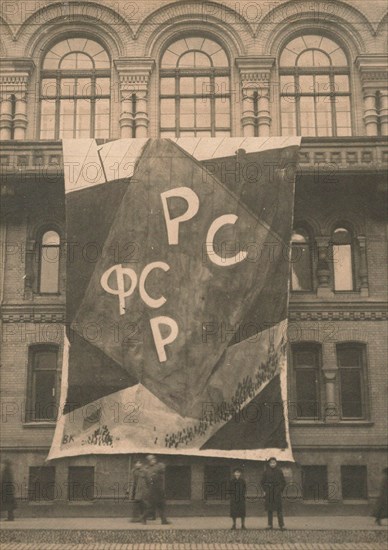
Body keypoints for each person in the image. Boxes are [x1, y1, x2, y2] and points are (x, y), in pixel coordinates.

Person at [261, 457, 286, 530]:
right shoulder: (266, 472)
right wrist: (265, 489)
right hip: (269, 493)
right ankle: (269, 525)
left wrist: (280, 489)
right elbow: (262, 482)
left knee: (279, 509)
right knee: (269, 510)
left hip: (277, 493)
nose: (272, 464)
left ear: (276, 463)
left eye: (274, 462)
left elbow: (283, 482)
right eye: (271, 463)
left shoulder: (279, 471)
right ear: (269, 463)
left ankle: (281, 525)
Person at [145, 454, 170, 525]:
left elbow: (162, 469)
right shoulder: (148, 469)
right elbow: (149, 481)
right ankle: (144, 517)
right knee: (151, 507)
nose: (153, 461)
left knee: (162, 506)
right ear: (149, 462)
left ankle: (164, 520)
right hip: (153, 491)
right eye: (151, 460)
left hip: (159, 490)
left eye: (154, 459)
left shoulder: (157, 467)